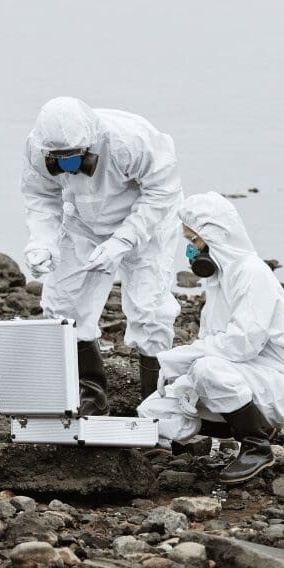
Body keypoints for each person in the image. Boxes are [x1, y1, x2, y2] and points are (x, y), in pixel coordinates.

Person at [21, 96, 182, 415]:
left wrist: (122, 241)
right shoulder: (37, 148)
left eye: (72, 155)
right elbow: (40, 196)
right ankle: (91, 394)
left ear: (90, 141)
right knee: (63, 304)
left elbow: (162, 191)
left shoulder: (131, 139)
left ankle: (157, 406)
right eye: (58, 156)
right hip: (83, 220)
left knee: (149, 309)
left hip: (148, 222)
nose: (65, 161)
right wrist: (42, 243)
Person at [138, 192, 284, 484]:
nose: (192, 252)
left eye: (194, 242)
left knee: (207, 370)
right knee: (153, 409)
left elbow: (241, 344)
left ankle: (256, 446)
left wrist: (181, 357)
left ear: (215, 237)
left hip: (280, 383)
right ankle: (170, 445)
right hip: (244, 377)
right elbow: (213, 342)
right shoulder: (219, 280)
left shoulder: (252, 274)